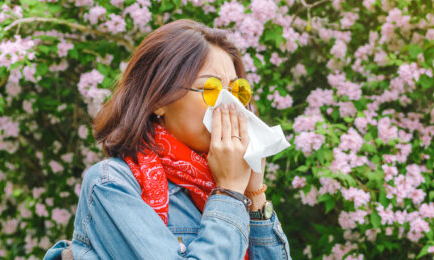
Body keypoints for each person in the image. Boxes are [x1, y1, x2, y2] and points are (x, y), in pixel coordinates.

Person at [43, 19, 291, 259]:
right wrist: (229, 193)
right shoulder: (112, 184)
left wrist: (254, 194)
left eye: (238, 91)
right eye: (211, 89)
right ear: (160, 100)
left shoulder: (230, 183)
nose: (231, 105)